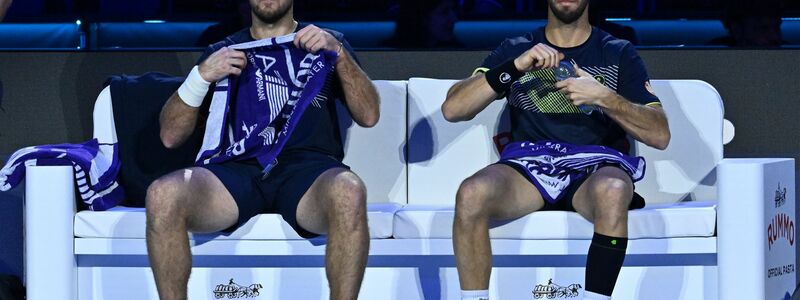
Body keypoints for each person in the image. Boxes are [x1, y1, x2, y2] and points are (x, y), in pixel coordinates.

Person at [145, 0, 380, 299]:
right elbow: (169, 136)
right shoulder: (225, 49)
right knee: (162, 194)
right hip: (234, 172)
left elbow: (369, 115)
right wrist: (201, 76)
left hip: (308, 171)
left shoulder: (327, 41)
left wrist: (340, 55)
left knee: (349, 191)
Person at [442, 0, 670, 299]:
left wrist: (604, 97)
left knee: (614, 189)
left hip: (594, 169)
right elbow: (453, 108)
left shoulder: (617, 52)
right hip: (528, 170)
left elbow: (660, 134)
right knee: (471, 193)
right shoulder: (517, 48)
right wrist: (515, 66)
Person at [383, 0, 463, 49]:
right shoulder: (388, 54)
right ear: (423, 17)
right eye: (444, 12)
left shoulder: (459, 53)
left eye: (453, 10)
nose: (454, 19)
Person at [708, 0, 785, 47]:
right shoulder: (712, 55)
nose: (775, 37)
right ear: (737, 30)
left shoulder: (791, 55)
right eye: (763, 29)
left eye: (777, 28)